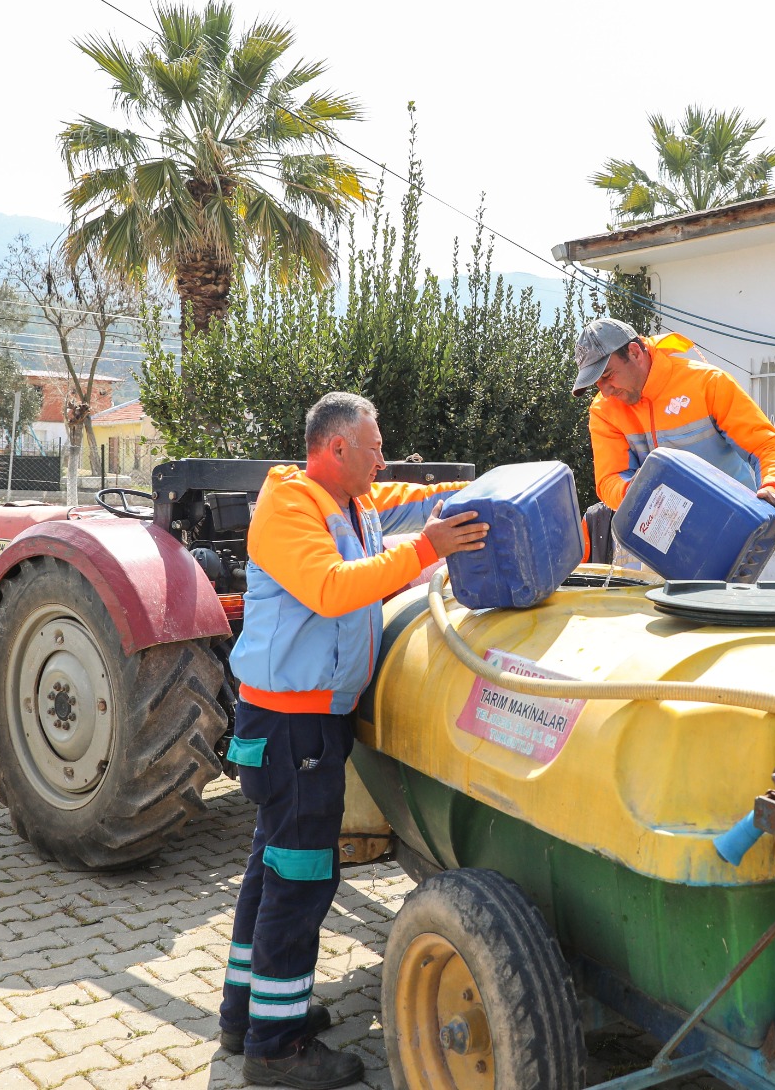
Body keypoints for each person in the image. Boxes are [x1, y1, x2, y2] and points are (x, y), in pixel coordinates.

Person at [218, 392, 486, 1088]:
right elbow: (334, 590)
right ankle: (275, 1051)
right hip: (291, 724)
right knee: (302, 874)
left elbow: (408, 493)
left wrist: (479, 490)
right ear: (336, 449)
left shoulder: (350, 501)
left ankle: (247, 1012)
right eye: (374, 448)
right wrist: (429, 550)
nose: (383, 459)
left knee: (272, 867)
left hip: (307, 720)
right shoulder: (290, 508)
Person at [574, 316, 775, 545]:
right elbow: (609, 480)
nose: (606, 391)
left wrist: (773, 488)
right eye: (597, 383)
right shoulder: (604, 410)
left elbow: (768, 447)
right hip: (663, 541)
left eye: (608, 375)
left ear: (634, 352)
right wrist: (640, 493)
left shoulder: (708, 383)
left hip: (733, 531)